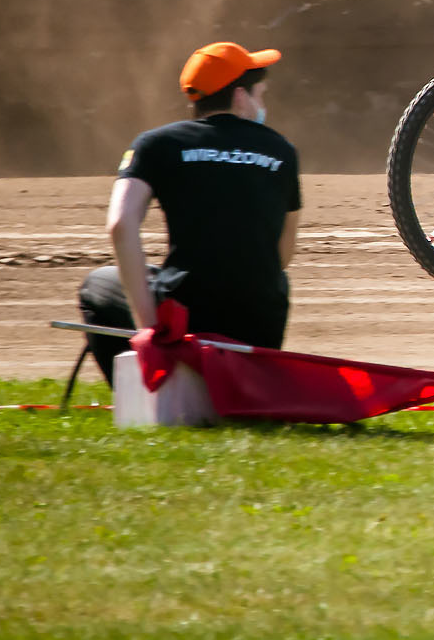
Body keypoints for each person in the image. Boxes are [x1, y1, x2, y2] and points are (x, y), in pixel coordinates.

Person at [73, 41, 302, 387]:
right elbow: (282, 256)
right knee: (275, 279)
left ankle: (148, 392)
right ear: (240, 97)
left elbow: (120, 224)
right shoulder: (282, 151)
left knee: (99, 284)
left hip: (185, 316)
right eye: (261, 94)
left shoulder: (157, 144)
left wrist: (149, 326)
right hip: (259, 328)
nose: (262, 104)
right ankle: (247, 378)